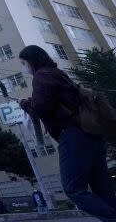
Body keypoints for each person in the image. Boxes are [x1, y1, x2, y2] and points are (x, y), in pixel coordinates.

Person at [19, 45, 116, 221]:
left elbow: (41, 108)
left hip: (73, 137)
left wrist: (25, 104)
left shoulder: (42, 76)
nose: (23, 67)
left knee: (73, 189)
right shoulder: (58, 73)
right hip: (92, 135)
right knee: (104, 191)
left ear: (31, 61)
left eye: (24, 63)